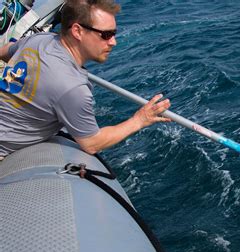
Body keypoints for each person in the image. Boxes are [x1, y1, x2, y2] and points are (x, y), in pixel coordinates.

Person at [0, 0, 170, 161]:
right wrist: (140, 119)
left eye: (114, 34)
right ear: (77, 31)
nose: (113, 42)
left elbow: (6, 51)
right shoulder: (72, 87)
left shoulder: (39, 40)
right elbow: (91, 143)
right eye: (106, 35)